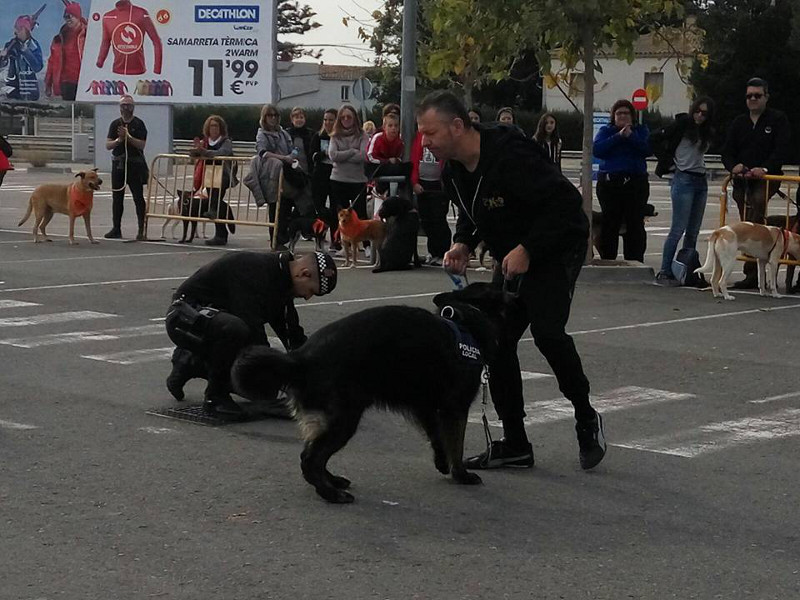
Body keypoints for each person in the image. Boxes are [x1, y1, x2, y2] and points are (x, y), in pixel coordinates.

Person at [417, 90, 605, 471]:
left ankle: (586, 416)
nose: (426, 142)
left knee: (548, 331)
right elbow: (476, 213)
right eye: (423, 134)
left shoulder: (512, 154)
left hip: (557, 244)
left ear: (457, 126)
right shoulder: (454, 170)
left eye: (431, 133)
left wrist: (529, 249)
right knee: (497, 340)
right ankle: (515, 443)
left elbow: (566, 206)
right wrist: (462, 243)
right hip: (513, 254)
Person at [165, 251, 338, 418]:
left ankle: (189, 361)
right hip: (183, 318)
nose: (307, 297)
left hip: (213, 324)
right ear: (304, 274)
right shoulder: (252, 269)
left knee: (267, 389)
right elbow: (253, 333)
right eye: (311, 291)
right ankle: (215, 397)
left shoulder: (282, 281)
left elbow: (293, 337)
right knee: (237, 333)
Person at [721, 77, 792, 289]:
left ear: (766, 97)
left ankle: (754, 272)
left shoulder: (778, 119)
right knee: (747, 221)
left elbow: (782, 149)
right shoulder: (739, 123)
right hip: (742, 182)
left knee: (756, 207)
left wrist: (765, 168)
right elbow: (727, 151)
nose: (753, 99)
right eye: (749, 96)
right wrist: (733, 166)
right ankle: (752, 269)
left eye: (757, 95)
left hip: (766, 179)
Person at [652, 97, 716, 285]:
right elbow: (655, 137)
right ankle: (665, 270)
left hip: (700, 179)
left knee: (693, 231)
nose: (699, 115)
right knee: (678, 228)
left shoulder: (706, 132)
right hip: (684, 178)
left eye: (704, 113)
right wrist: (668, 162)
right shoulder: (682, 125)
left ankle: (686, 269)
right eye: (697, 111)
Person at [593, 99, 651, 262]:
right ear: (613, 116)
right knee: (610, 222)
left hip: (635, 183)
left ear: (632, 116)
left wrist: (631, 136)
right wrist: (618, 136)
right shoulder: (606, 131)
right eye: (619, 113)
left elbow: (647, 149)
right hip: (611, 183)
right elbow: (598, 150)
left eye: (626, 113)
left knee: (635, 224)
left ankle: (635, 260)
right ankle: (608, 259)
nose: (623, 116)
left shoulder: (641, 131)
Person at [189, 115, 238, 247]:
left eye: (216, 126)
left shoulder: (226, 141)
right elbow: (195, 156)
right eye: (211, 126)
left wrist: (205, 152)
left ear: (221, 128)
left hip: (223, 176)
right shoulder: (205, 141)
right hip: (209, 176)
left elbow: (223, 153)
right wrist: (196, 150)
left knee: (215, 203)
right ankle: (222, 228)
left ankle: (220, 234)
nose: (214, 128)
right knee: (215, 203)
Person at [105, 95, 149, 240]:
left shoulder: (139, 124)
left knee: (138, 197)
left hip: (135, 165)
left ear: (133, 107)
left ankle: (141, 229)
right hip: (119, 165)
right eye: (123, 105)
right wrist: (119, 140)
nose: (126, 108)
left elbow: (142, 144)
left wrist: (128, 137)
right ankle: (116, 228)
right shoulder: (115, 124)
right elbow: (108, 145)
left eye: (128, 105)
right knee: (117, 197)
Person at [255, 104, 297, 248]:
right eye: (270, 115)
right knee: (275, 207)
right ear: (264, 117)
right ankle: (276, 240)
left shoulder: (284, 133)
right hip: (271, 175)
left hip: (287, 174)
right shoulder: (262, 134)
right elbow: (263, 153)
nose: (273, 118)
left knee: (286, 207)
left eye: (275, 115)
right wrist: (282, 158)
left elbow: (293, 150)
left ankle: (284, 237)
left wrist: (292, 156)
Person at [328, 104, 370, 238]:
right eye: (343, 117)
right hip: (338, 179)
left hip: (358, 180)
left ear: (354, 118)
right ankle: (338, 242)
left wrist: (343, 156)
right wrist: (352, 151)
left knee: (360, 213)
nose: (346, 119)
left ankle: (365, 243)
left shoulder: (362, 135)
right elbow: (333, 155)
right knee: (338, 213)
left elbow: (363, 155)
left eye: (349, 117)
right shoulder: (335, 136)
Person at [410, 128, 449, 266]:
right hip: (423, 184)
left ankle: (442, 251)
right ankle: (433, 252)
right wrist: (414, 182)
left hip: (439, 185)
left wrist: (445, 182)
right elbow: (414, 159)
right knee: (427, 220)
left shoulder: (442, 135)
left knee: (439, 219)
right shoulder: (419, 137)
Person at [44, 2, 87, 102]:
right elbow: (52, 62)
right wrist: (48, 84)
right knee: (71, 110)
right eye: (65, 17)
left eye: (70, 16)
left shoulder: (88, 35)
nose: (68, 19)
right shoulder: (59, 38)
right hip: (66, 82)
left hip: (84, 81)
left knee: (84, 108)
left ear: (78, 16)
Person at [1, 16, 44, 101]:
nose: (15, 31)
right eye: (16, 28)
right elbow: (2, 65)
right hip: (13, 92)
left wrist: (26, 52)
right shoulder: (10, 45)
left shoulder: (33, 46)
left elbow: (38, 67)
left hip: (31, 92)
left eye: (18, 28)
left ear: (25, 29)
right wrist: (2, 57)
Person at [366, 112, 407, 194]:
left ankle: (395, 192)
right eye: (390, 126)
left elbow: (400, 156)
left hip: (390, 166)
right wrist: (387, 161)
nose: (393, 128)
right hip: (376, 165)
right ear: (384, 127)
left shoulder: (400, 141)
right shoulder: (377, 137)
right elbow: (370, 156)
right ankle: (378, 190)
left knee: (406, 168)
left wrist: (395, 160)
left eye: (396, 125)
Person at [309, 108, 337, 217]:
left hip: (335, 175)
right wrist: (324, 153)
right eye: (325, 120)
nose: (327, 123)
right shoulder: (318, 136)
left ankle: (335, 232)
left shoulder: (339, 137)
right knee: (319, 207)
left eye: (331, 120)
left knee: (335, 208)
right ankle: (320, 231)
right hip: (320, 175)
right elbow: (312, 155)